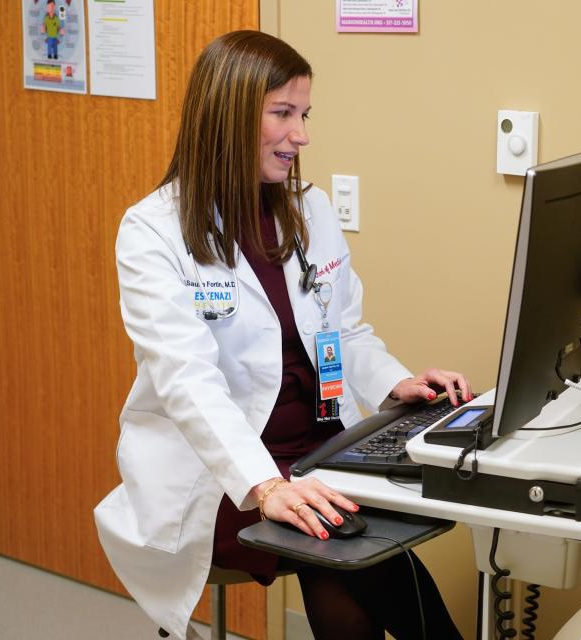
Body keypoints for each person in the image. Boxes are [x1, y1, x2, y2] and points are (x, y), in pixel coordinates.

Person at [94, 31, 469, 640]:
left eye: (305, 115)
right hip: (221, 470)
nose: (303, 135)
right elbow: (186, 381)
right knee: (342, 547)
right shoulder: (152, 232)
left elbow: (346, 331)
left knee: (350, 547)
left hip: (319, 448)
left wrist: (397, 380)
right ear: (231, 115)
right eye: (284, 114)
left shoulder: (310, 209)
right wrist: (264, 484)